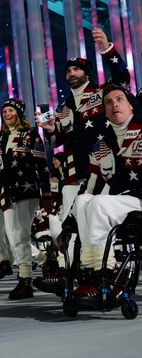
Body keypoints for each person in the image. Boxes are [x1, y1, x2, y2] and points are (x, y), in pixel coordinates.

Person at [37, 29, 130, 287]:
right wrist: (49, 132)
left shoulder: (101, 92)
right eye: (67, 71)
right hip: (74, 172)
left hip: (105, 165)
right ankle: (76, 272)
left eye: (76, 70)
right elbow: (58, 140)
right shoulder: (63, 107)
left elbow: (122, 77)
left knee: (94, 217)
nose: (71, 74)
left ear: (86, 73)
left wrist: (107, 49)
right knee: (73, 220)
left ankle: (105, 272)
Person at [60, 84, 142, 306]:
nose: (114, 104)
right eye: (108, 102)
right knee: (86, 200)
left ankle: (104, 273)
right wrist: (69, 222)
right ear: (105, 112)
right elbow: (91, 186)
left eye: (119, 99)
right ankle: (90, 269)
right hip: (120, 203)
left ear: (131, 105)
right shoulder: (102, 145)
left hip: (139, 199)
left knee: (98, 203)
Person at [0, 98, 50, 299]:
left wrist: (46, 193)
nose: (7, 114)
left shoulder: (31, 135)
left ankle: (25, 280)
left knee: (21, 233)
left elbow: (42, 164)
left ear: (19, 113)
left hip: (27, 189)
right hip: (6, 192)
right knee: (13, 236)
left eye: (11, 110)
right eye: (5, 111)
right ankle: (44, 260)